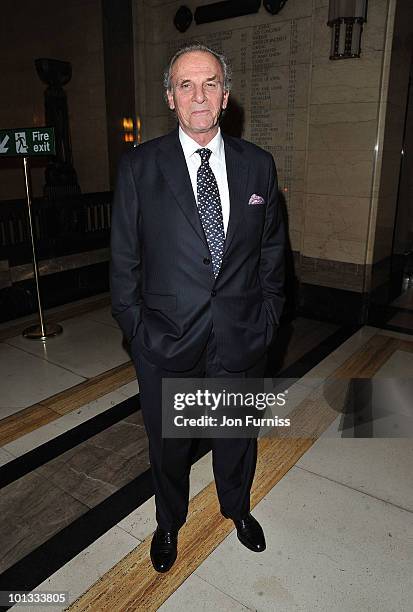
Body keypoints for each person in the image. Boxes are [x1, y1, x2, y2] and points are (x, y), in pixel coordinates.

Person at [110, 43, 285, 573]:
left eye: (210, 83)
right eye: (186, 85)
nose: (199, 95)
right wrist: (138, 332)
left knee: (236, 436)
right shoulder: (140, 167)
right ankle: (168, 521)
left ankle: (236, 509)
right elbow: (124, 262)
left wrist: (270, 317)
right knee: (168, 444)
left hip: (239, 334)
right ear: (170, 97)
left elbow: (273, 252)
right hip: (165, 338)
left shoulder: (258, 166)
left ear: (226, 95)